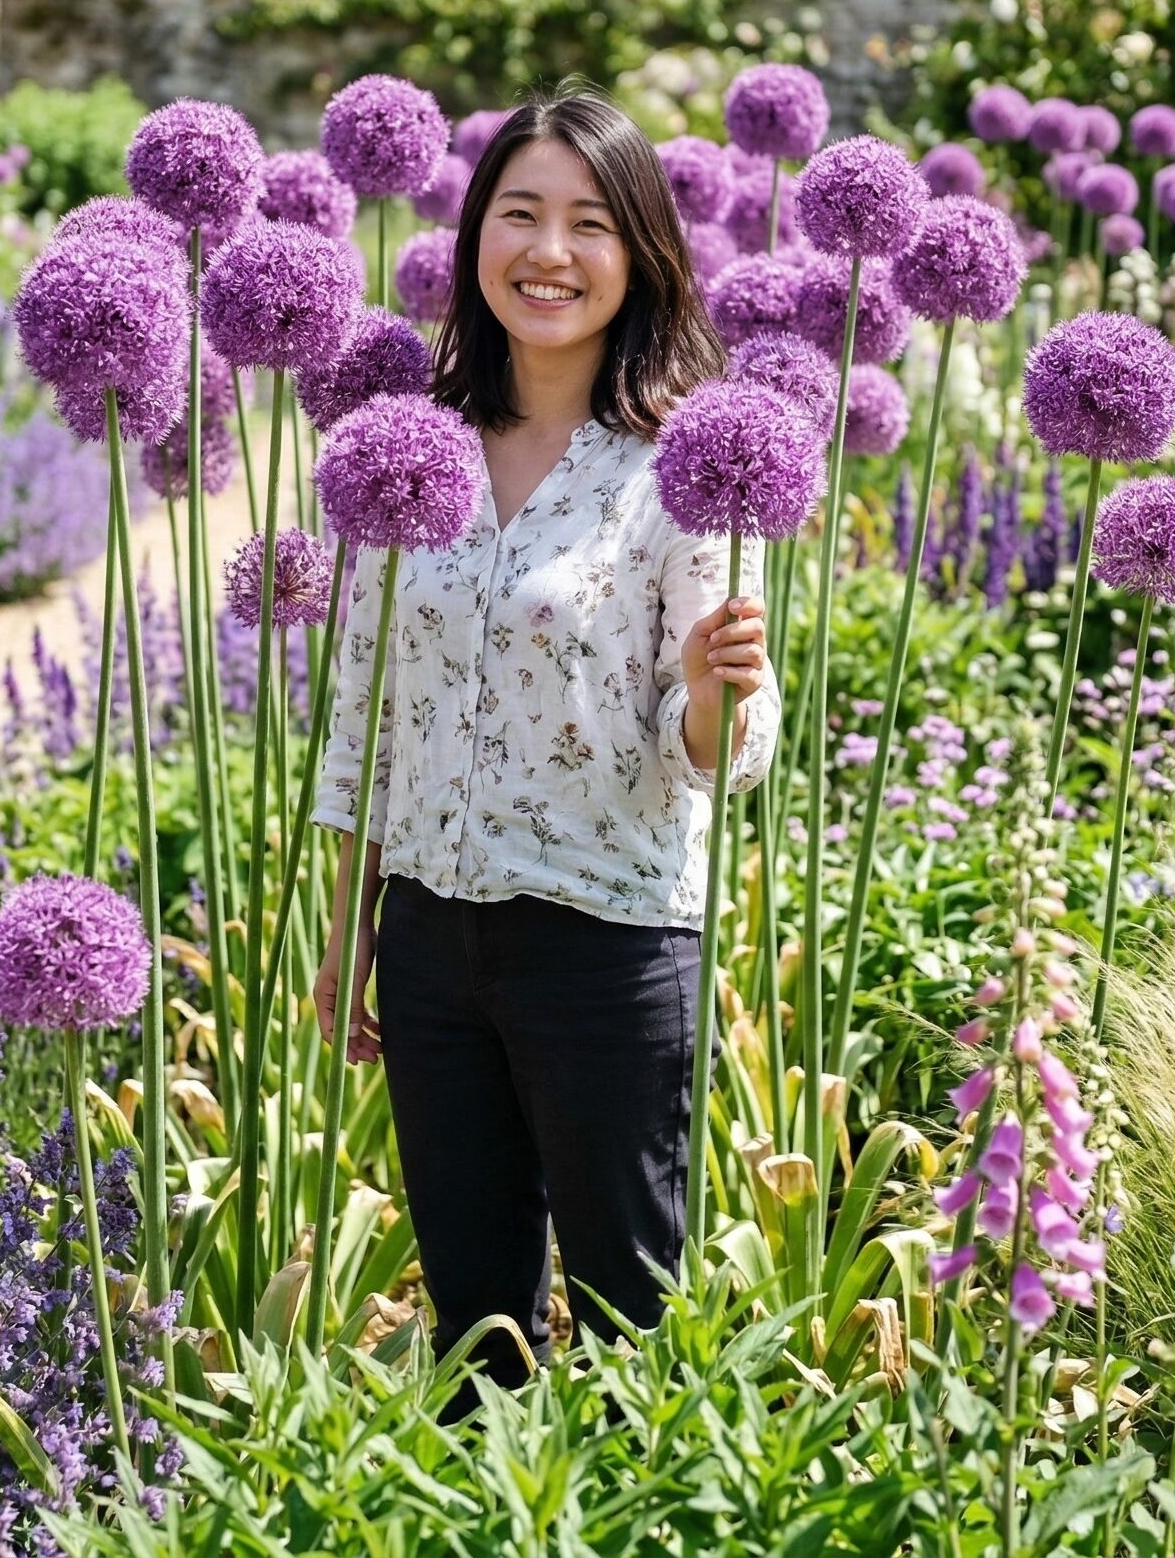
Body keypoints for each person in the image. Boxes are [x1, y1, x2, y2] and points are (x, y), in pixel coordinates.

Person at [312, 80, 777, 1403]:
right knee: (475, 1337)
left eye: (590, 223)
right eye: (519, 214)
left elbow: (722, 753)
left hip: (607, 940)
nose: (550, 252)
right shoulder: (418, 451)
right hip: (430, 940)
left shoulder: (685, 469)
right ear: (475, 239)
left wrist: (716, 693)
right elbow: (364, 710)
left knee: (636, 1321)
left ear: (641, 255)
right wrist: (347, 930)